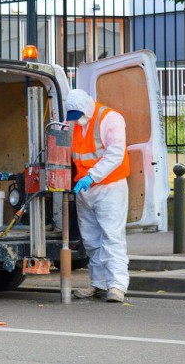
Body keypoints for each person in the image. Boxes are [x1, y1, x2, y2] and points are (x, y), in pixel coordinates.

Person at [65, 89, 130, 303]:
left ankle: (117, 286)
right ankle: (99, 283)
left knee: (111, 237)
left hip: (109, 187)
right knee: (92, 240)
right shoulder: (74, 122)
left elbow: (115, 154)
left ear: (87, 107)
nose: (77, 121)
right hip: (85, 189)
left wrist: (92, 176)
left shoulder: (110, 118)